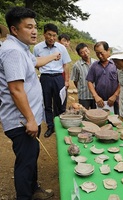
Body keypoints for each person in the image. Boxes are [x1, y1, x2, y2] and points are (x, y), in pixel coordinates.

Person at [0, 7, 61, 199]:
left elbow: (35, 62)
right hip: (22, 121)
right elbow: (16, 90)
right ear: (14, 30)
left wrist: (53, 56)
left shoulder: (22, 49)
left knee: (31, 157)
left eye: (35, 26)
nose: (34, 31)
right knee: (25, 163)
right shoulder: (13, 52)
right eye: (28, 27)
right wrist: (30, 120)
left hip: (28, 118)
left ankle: (34, 190)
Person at [33, 23, 72, 138]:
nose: (51, 38)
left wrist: (66, 81)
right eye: (49, 35)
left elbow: (66, 65)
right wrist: (42, 69)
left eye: (54, 35)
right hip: (45, 78)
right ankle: (50, 127)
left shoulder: (61, 48)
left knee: (60, 103)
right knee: (47, 103)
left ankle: (61, 125)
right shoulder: (37, 48)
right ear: (44, 34)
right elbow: (35, 63)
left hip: (58, 78)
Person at [86, 41, 120, 114]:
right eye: (97, 53)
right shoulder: (94, 66)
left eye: (101, 53)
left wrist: (115, 95)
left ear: (108, 51)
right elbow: (89, 81)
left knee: (115, 121)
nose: (100, 56)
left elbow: (122, 82)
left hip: (114, 101)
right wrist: (96, 96)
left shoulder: (116, 64)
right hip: (99, 102)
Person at [71, 43, 97, 109]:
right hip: (84, 96)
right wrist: (81, 89)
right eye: (82, 52)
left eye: (86, 51)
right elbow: (75, 80)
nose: (85, 53)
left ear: (89, 50)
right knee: (84, 114)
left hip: (96, 95)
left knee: (96, 115)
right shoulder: (77, 65)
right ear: (79, 55)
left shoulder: (96, 63)